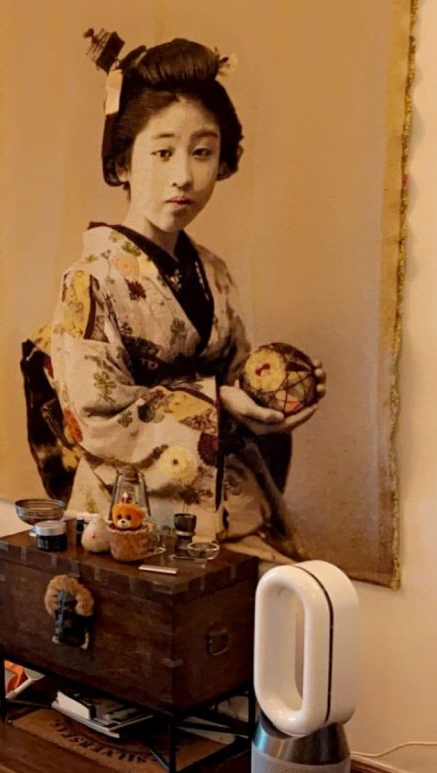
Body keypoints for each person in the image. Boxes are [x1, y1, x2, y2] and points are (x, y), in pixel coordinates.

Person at [34, 35, 325, 561]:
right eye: (163, 152)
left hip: (228, 506)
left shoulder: (212, 271)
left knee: (302, 594)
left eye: (202, 152)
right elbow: (96, 418)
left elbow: (234, 378)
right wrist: (217, 404)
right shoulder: (91, 279)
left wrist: (273, 395)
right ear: (124, 164)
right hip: (127, 520)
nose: (184, 176)